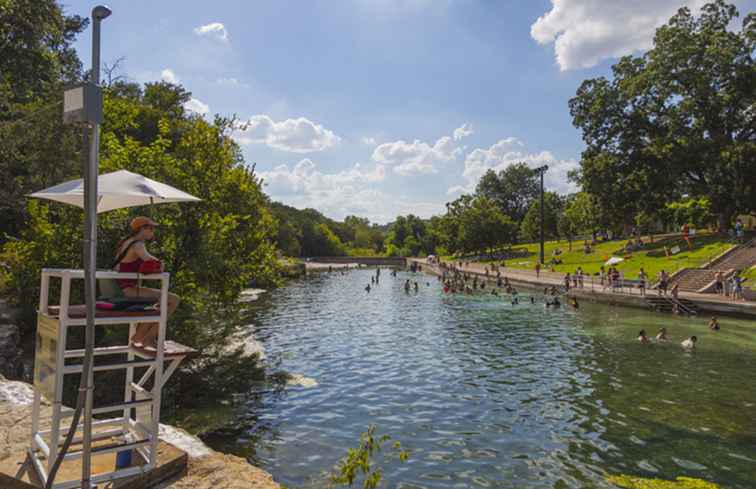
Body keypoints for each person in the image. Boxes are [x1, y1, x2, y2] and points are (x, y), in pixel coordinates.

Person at [114, 217, 180, 349]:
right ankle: (148, 338)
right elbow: (153, 263)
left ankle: (140, 335)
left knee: (161, 301)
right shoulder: (138, 244)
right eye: (151, 228)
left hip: (124, 288)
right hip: (129, 290)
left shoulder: (125, 242)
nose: (153, 231)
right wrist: (160, 264)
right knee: (174, 300)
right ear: (142, 229)